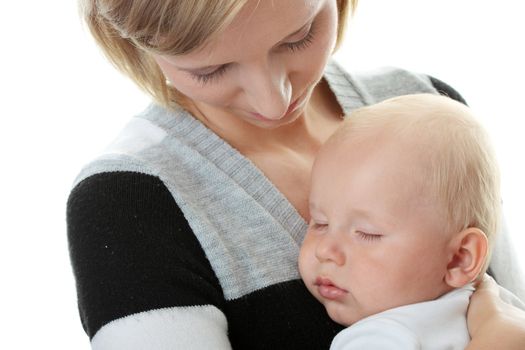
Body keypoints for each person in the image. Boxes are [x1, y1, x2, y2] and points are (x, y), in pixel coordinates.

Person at [67, 0, 525, 349]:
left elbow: (510, 299)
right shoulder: (129, 202)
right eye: (211, 70)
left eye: (298, 37)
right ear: (134, 43)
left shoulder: (431, 108)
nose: (274, 100)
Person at [299, 93, 524, 349]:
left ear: (459, 257)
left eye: (367, 233)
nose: (324, 250)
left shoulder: (380, 338)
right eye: (319, 223)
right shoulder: (505, 311)